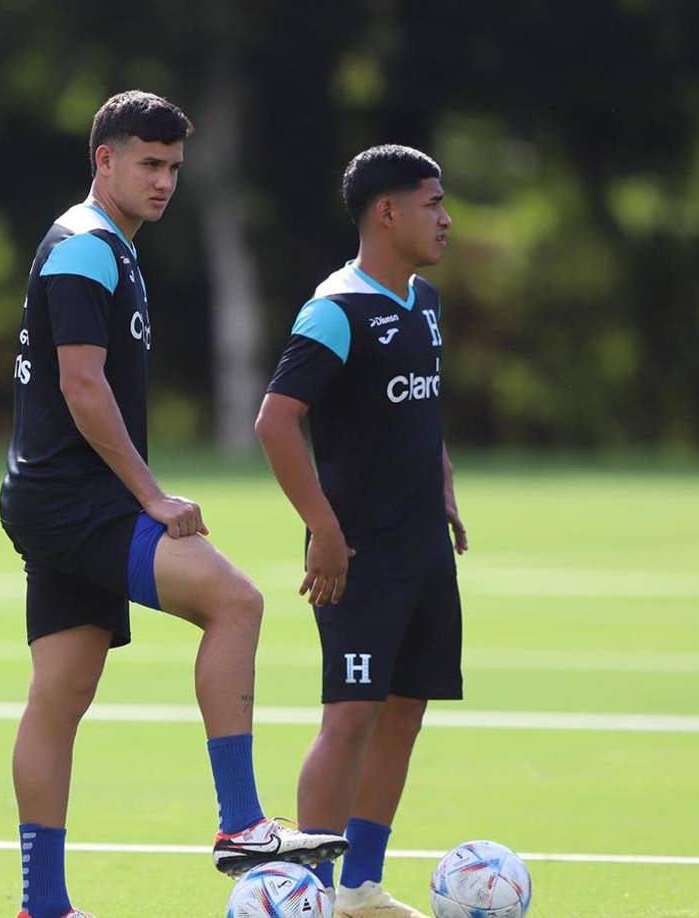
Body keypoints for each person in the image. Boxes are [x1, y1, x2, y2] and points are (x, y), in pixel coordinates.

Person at [0, 90, 346, 918]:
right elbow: (82, 387)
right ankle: (240, 824)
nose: (163, 181)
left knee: (61, 693)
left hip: (47, 496)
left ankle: (42, 906)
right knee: (236, 600)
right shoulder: (87, 248)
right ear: (104, 160)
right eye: (148, 164)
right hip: (72, 498)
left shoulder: (106, 248)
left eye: (174, 168)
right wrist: (150, 495)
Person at [255, 144, 467, 918]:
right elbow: (276, 422)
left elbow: (421, 408)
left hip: (423, 550)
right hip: (359, 555)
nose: (445, 219)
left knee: (405, 709)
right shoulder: (336, 309)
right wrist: (324, 531)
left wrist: (443, 487)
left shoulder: (426, 303)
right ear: (387, 212)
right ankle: (304, 893)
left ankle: (359, 888)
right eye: (432, 203)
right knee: (348, 719)